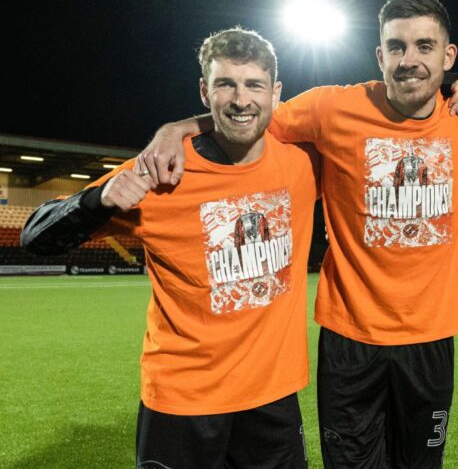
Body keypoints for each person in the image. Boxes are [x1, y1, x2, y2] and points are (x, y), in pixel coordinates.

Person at [140, 0, 458, 468]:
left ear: (448, 57)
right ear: (380, 56)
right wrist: (175, 128)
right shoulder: (331, 108)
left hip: (429, 339)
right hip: (350, 339)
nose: (410, 61)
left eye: (425, 47)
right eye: (397, 47)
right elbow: (246, 115)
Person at [20, 28, 317, 468]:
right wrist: (97, 200)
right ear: (204, 91)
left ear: (276, 93)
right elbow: (34, 237)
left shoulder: (303, 163)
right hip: (183, 402)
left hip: (272, 398)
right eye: (225, 84)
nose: (240, 99)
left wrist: (456, 82)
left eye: (254, 84)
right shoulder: (160, 172)